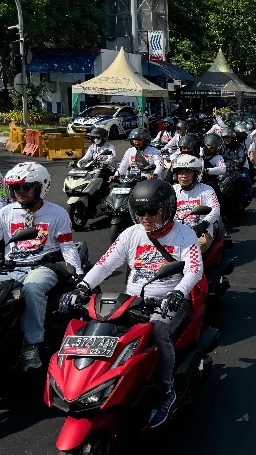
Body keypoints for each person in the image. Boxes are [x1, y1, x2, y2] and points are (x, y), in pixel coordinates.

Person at [61, 179, 203, 428]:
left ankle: (166, 390)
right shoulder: (131, 233)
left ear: (167, 208)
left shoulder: (185, 234)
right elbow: (106, 263)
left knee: (158, 329)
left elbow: (193, 271)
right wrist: (83, 286)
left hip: (168, 303)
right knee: (98, 327)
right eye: (140, 212)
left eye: (151, 211)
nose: (145, 217)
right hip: (133, 301)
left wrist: (178, 294)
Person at [0, 163, 83, 370]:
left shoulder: (58, 213)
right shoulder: (5, 212)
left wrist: (79, 276)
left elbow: (67, 247)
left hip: (43, 266)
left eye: (26, 187)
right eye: (16, 187)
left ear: (40, 187)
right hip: (11, 266)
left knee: (33, 289)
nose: (20, 191)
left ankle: (32, 345)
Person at [171, 154, 221, 253]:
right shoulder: (172, 190)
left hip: (201, 231)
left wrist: (203, 225)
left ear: (196, 174)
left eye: (188, 172)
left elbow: (215, 210)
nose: (183, 176)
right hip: (175, 231)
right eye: (181, 173)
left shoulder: (206, 190)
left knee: (192, 250)